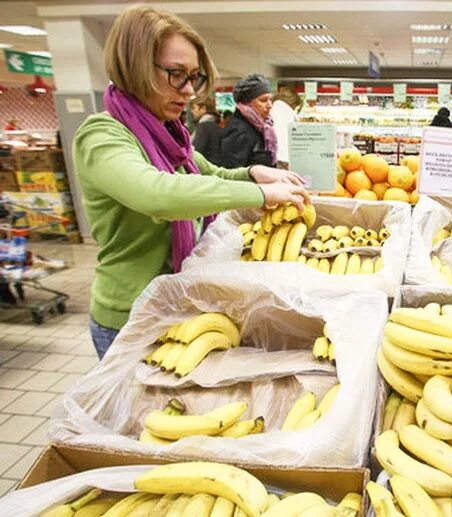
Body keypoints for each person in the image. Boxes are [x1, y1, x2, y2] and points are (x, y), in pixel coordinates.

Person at [73, 5, 309, 359]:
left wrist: (253, 173)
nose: (189, 91)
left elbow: (209, 173)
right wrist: (258, 193)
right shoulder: (103, 135)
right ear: (134, 66)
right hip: (130, 315)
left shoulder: (169, 136)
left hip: (177, 298)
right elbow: (158, 194)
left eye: (194, 78)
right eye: (176, 74)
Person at [217, 74, 277, 169]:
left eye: (270, 100)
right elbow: (232, 170)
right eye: (263, 100)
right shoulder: (238, 130)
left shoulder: (262, 127)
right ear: (247, 103)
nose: (270, 105)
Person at [270, 87, 303, 168]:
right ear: (294, 104)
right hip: (286, 158)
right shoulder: (289, 114)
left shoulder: (272, 110)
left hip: (272, 157)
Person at [191, 95, 222, 163]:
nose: (192, 111)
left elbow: (195, 152)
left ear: (203, 109)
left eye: (194, 108)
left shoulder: (204, 127)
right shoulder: (215, 125)